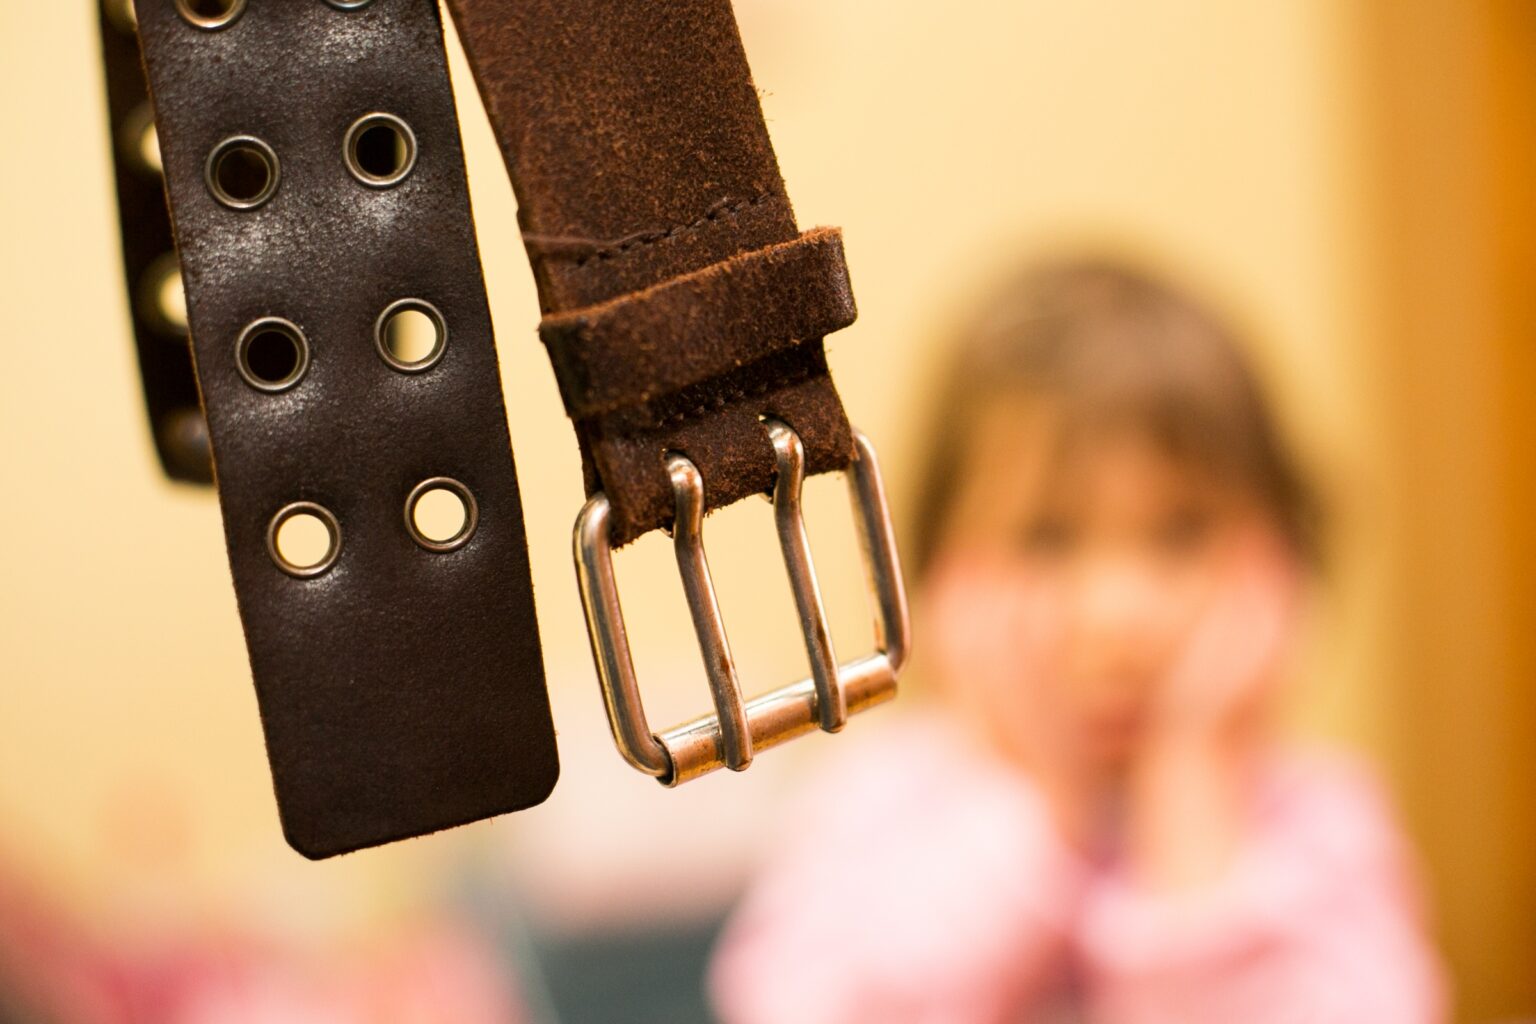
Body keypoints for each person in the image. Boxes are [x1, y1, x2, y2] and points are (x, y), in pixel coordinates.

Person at [708, 260, 1447, 1023]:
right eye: (1047, 538)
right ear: (925, 576)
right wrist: (1042, 812)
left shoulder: (1321, 827)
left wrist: (1191, 812)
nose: (1118, 616)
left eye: (1182, 532)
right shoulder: (877, 803)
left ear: (1284, 562)